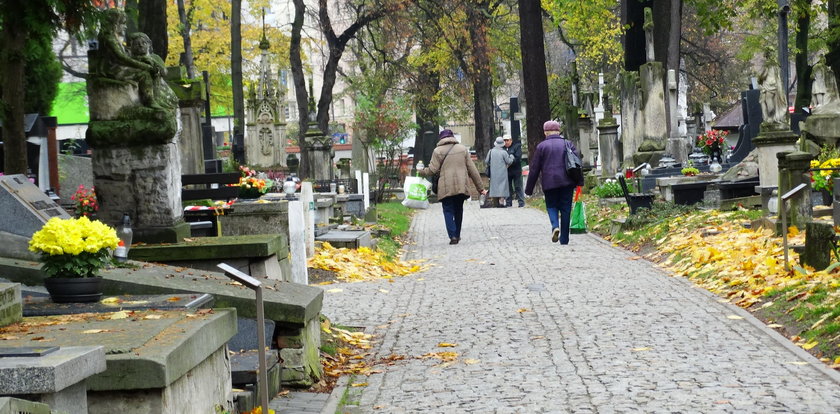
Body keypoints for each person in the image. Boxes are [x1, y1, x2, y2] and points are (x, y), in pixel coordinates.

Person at [419, 129, 487, 245]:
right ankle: (458, 234)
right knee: (458, 210)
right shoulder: (462, 149)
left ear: (441, 139)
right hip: (461, 185)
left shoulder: (437, 151)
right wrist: (480, 188)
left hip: (446, 187)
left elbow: (432, 170)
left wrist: (422, 172)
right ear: (452, 137)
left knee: (448, 210)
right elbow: (473, 170)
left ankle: (453, 236)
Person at [524, 120, 584, 244]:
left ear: (546, 132)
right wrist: (579, 182)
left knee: (551, 206)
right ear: (558, 131)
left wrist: (529, 189)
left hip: (549, 183)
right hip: (567, 182)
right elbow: (577, 163)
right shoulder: (568, 144)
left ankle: (555, 226)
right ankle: (564, 239)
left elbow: (534, 169)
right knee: (566, 209)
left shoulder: (541, 147)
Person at [485, 136, 514, 207]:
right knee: (502, 187)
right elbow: (509, 161)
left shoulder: (491, 151)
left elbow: (486, 161)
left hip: (493, 173)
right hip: (502, 173)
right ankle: (501, 202)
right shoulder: (504, 152)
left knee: (494, 186)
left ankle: (495, 203)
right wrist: (512, 157)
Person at [503, 135, 525, 207]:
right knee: (508, 187)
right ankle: (508, 202)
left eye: (507, 140)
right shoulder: (502, 148)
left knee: (518, 186)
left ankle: (521, 202)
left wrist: (510, 161)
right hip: (507, 171)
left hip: (516, 170)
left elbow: (518, 157)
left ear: (511, 140)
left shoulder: (516, 146)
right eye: (505, 140)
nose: (506, 142)